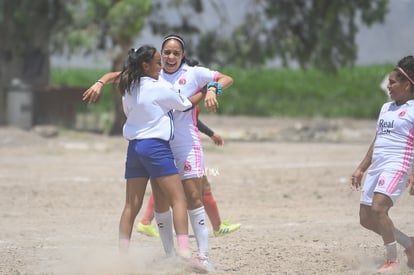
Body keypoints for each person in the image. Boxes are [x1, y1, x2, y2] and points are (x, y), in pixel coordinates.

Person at [82, 34, 234, 271]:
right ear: (159, 57)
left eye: (176, 53)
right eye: (166, 53)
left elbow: (226, 78)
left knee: (193, 195)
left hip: (182, 142)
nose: (170, 57)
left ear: (182, 56)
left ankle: (202, 256)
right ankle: (173, 255)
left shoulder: (192, 73)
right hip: (160, 145)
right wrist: (101, 81)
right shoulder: (155, 76)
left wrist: (214, 88)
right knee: (164, 201)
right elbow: (183, 102)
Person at [101, 45, 208, 272]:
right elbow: (186, 104)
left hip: (134, 148)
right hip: (156, 147)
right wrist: (206, 89)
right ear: (145, 66)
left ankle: (122, 258)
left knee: (131, 205)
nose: (161, 66)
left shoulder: (128, 86)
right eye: (158, 62)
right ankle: (184, 254)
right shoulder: (160, 87)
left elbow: (116, 81)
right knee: (178, 199)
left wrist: (99, 82)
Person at [350, 55, 414, 273]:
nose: (389, 86)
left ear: (407, 85)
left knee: (379, 209)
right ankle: (410, 245)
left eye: (393, 82)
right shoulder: (386, 108)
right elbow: (377, 140)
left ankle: (393, 260)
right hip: (378, 165)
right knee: (366, 219)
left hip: (398, 165)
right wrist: (361, 168)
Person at [137, 109, 241, 238]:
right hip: (182, 147)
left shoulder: (183, 93)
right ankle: (217, 227)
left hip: (179, 145)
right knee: (189, 186)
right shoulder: (184, 91)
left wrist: (211, 134)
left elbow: (189, 119)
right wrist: (210, 89)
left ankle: (146, 222)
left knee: (168, 185)